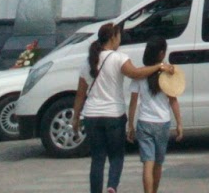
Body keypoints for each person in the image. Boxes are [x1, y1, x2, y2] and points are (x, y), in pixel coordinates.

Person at [73, 23, 174, 193]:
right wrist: (159, 66)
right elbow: (136, 73)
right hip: (113, 115)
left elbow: (80, 95)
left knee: (97, 159)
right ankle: (112, 186)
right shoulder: (119, 58)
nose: (120, 39)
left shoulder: (88, 62)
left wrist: (75, 117)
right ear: (113, 38)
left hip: (91, 116)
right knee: (116, 156)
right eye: (119, 36)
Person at [127, 37, 183, 193]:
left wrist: (130, 124)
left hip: (144, 122)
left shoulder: (140, 75)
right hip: (162, 123)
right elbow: (173, 101)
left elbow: (133, 103)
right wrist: (179, 123)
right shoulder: (166, 75)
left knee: (147, 164)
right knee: (158, 164)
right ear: (160, 54)